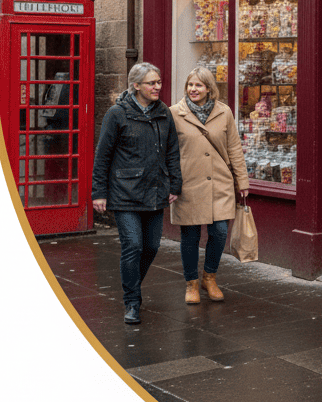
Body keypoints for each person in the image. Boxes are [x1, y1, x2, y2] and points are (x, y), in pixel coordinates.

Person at [92, 63, 181, 325]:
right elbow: (103, 156)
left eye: (159, 82)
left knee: (152, 247)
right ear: (136, 86)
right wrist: (99, 192)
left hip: (155, 191)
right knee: (133, 245)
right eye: (152, 83)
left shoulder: (163, 112)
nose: (157, 87)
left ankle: (132, 284)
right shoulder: (117, 114)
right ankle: (132, 301)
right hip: (124, 192)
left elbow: (172, 151)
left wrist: (175, 184)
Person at [170, 66, 248, 304]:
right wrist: (170, 182)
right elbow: (168, 151)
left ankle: (209, 278)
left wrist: (241, 180)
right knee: (190, 236)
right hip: (189, 183)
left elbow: (234, 147)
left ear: (209, 88)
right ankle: (191, 283)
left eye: (199, 85)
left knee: (219, 232)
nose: (194, 89)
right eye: (190, 85)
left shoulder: (224, 112)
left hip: (220, 182)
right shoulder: (174, 113)